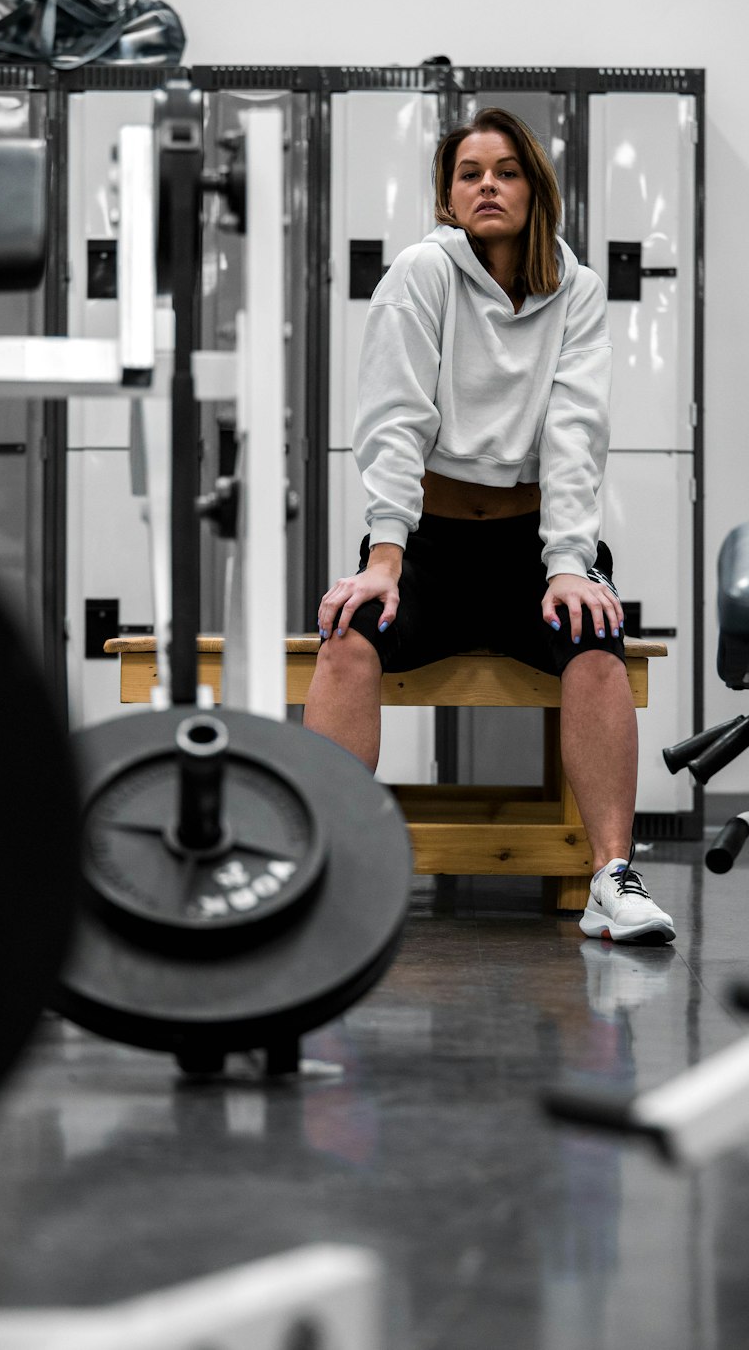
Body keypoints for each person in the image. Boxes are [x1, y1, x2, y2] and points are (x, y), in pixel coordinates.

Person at [303, 107, 675, 944]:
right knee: (349, 636)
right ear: (448, 195)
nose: (487, 186)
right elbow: (395, 419)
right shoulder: (421, 273)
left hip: (531, 542)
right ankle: (324, 864)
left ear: (532, 188)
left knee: (595, 641)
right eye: (469, 174)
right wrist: (385, 556)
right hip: (428, 541)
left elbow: (577, 431)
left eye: (505, 171)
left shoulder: (575, 289)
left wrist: (571, 562)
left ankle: (612, 877)